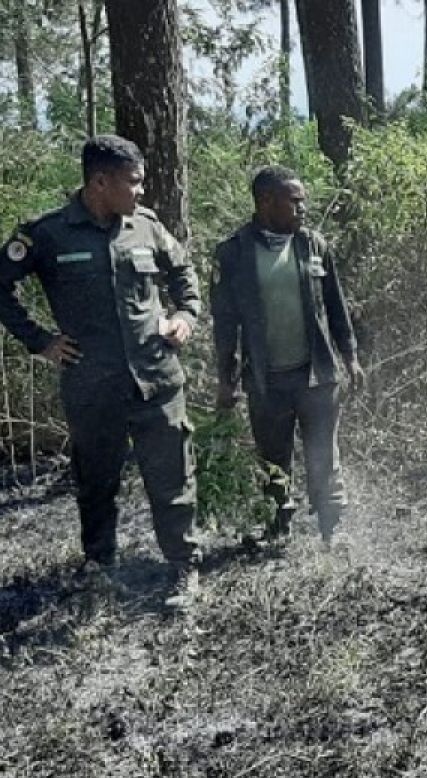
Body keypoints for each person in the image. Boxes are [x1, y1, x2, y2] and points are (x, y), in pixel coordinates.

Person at [0, 135, 202, 605]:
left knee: (172, 477)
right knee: (96, 482)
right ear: (100, 182)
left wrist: (183, 317)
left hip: (157, 379)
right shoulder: (47, 234)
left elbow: (184, 273)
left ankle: (183, 567)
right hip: (93, 387)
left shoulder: (146, 226)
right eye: (133, 183)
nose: (141, 192)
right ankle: (100, 570)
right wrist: (41, 342)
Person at [211, 166, 364, 543]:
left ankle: (332, 530)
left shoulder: (313, 245)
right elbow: (225, 324)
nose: (302, 208)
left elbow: (336, 307)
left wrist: (351, 358)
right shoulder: (233, 253)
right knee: (273, 459)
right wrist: (226, 380)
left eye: (303, 201)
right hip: (266, 379)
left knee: (324, 455)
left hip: (316, 375)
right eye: (294, 201)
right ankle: (278, 528)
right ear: (266, 202)